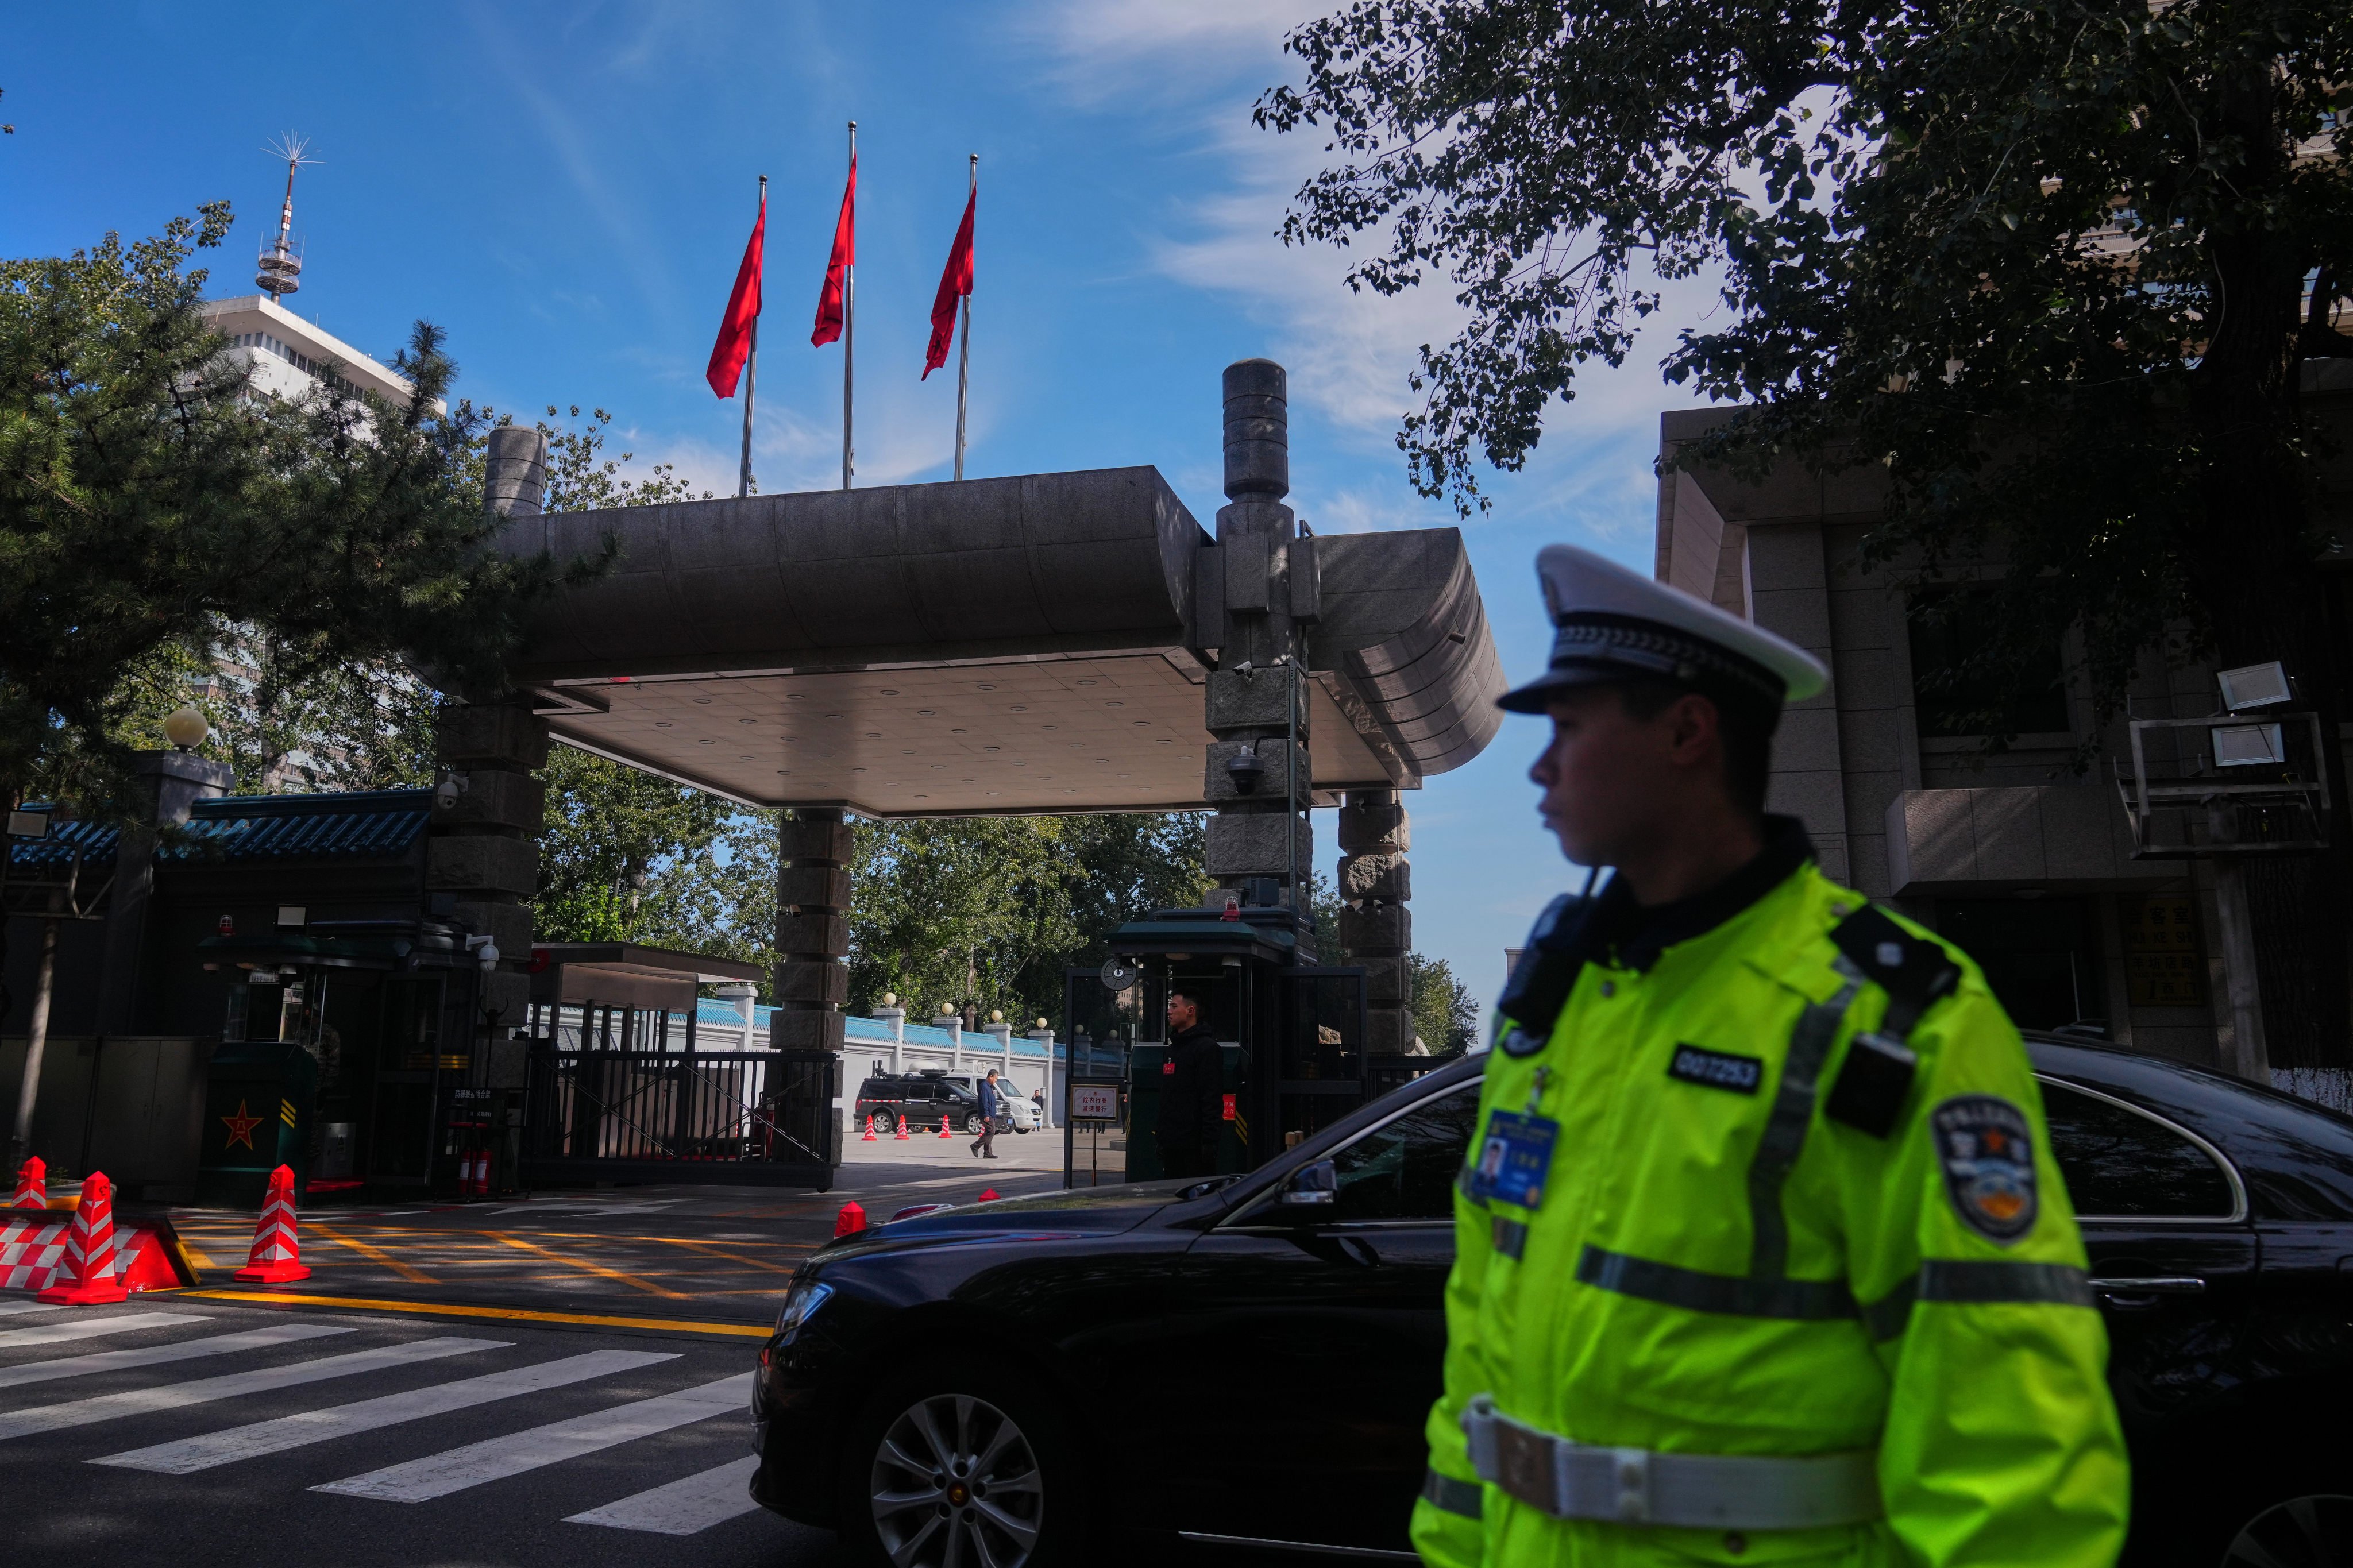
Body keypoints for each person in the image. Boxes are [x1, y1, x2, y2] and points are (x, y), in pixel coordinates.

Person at [1411, 544, 2128, 1568]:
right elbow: (1480, 1342)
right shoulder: (1560, 1002)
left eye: (1567, 728)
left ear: (1687, 732)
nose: (1540, 764)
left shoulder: (1896, 1016)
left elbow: (2009, 1440)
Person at [1154, 986, 1222, 1179]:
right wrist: (1162, 1138)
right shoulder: (1171, 1050)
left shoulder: (1207, 1049)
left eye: (1174, 1006)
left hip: (1195, 1147)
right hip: (1171, 1145)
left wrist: (1209, 1142)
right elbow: (1167, 1099)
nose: (1169, 1011)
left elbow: (1211, 1099)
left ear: (1190, 1011)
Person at [971, 1069, 1001, 1160]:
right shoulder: (984, 1086)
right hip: (986, 1114)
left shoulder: (989, 1087)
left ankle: (988, 1153)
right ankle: (975, 1146)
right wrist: (986, 1115)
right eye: (995, 1078)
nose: (996, 1080)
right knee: (991, 1131)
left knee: (989, 1132)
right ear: (990, 1077)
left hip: (991, 1114)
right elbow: (984, 1102)